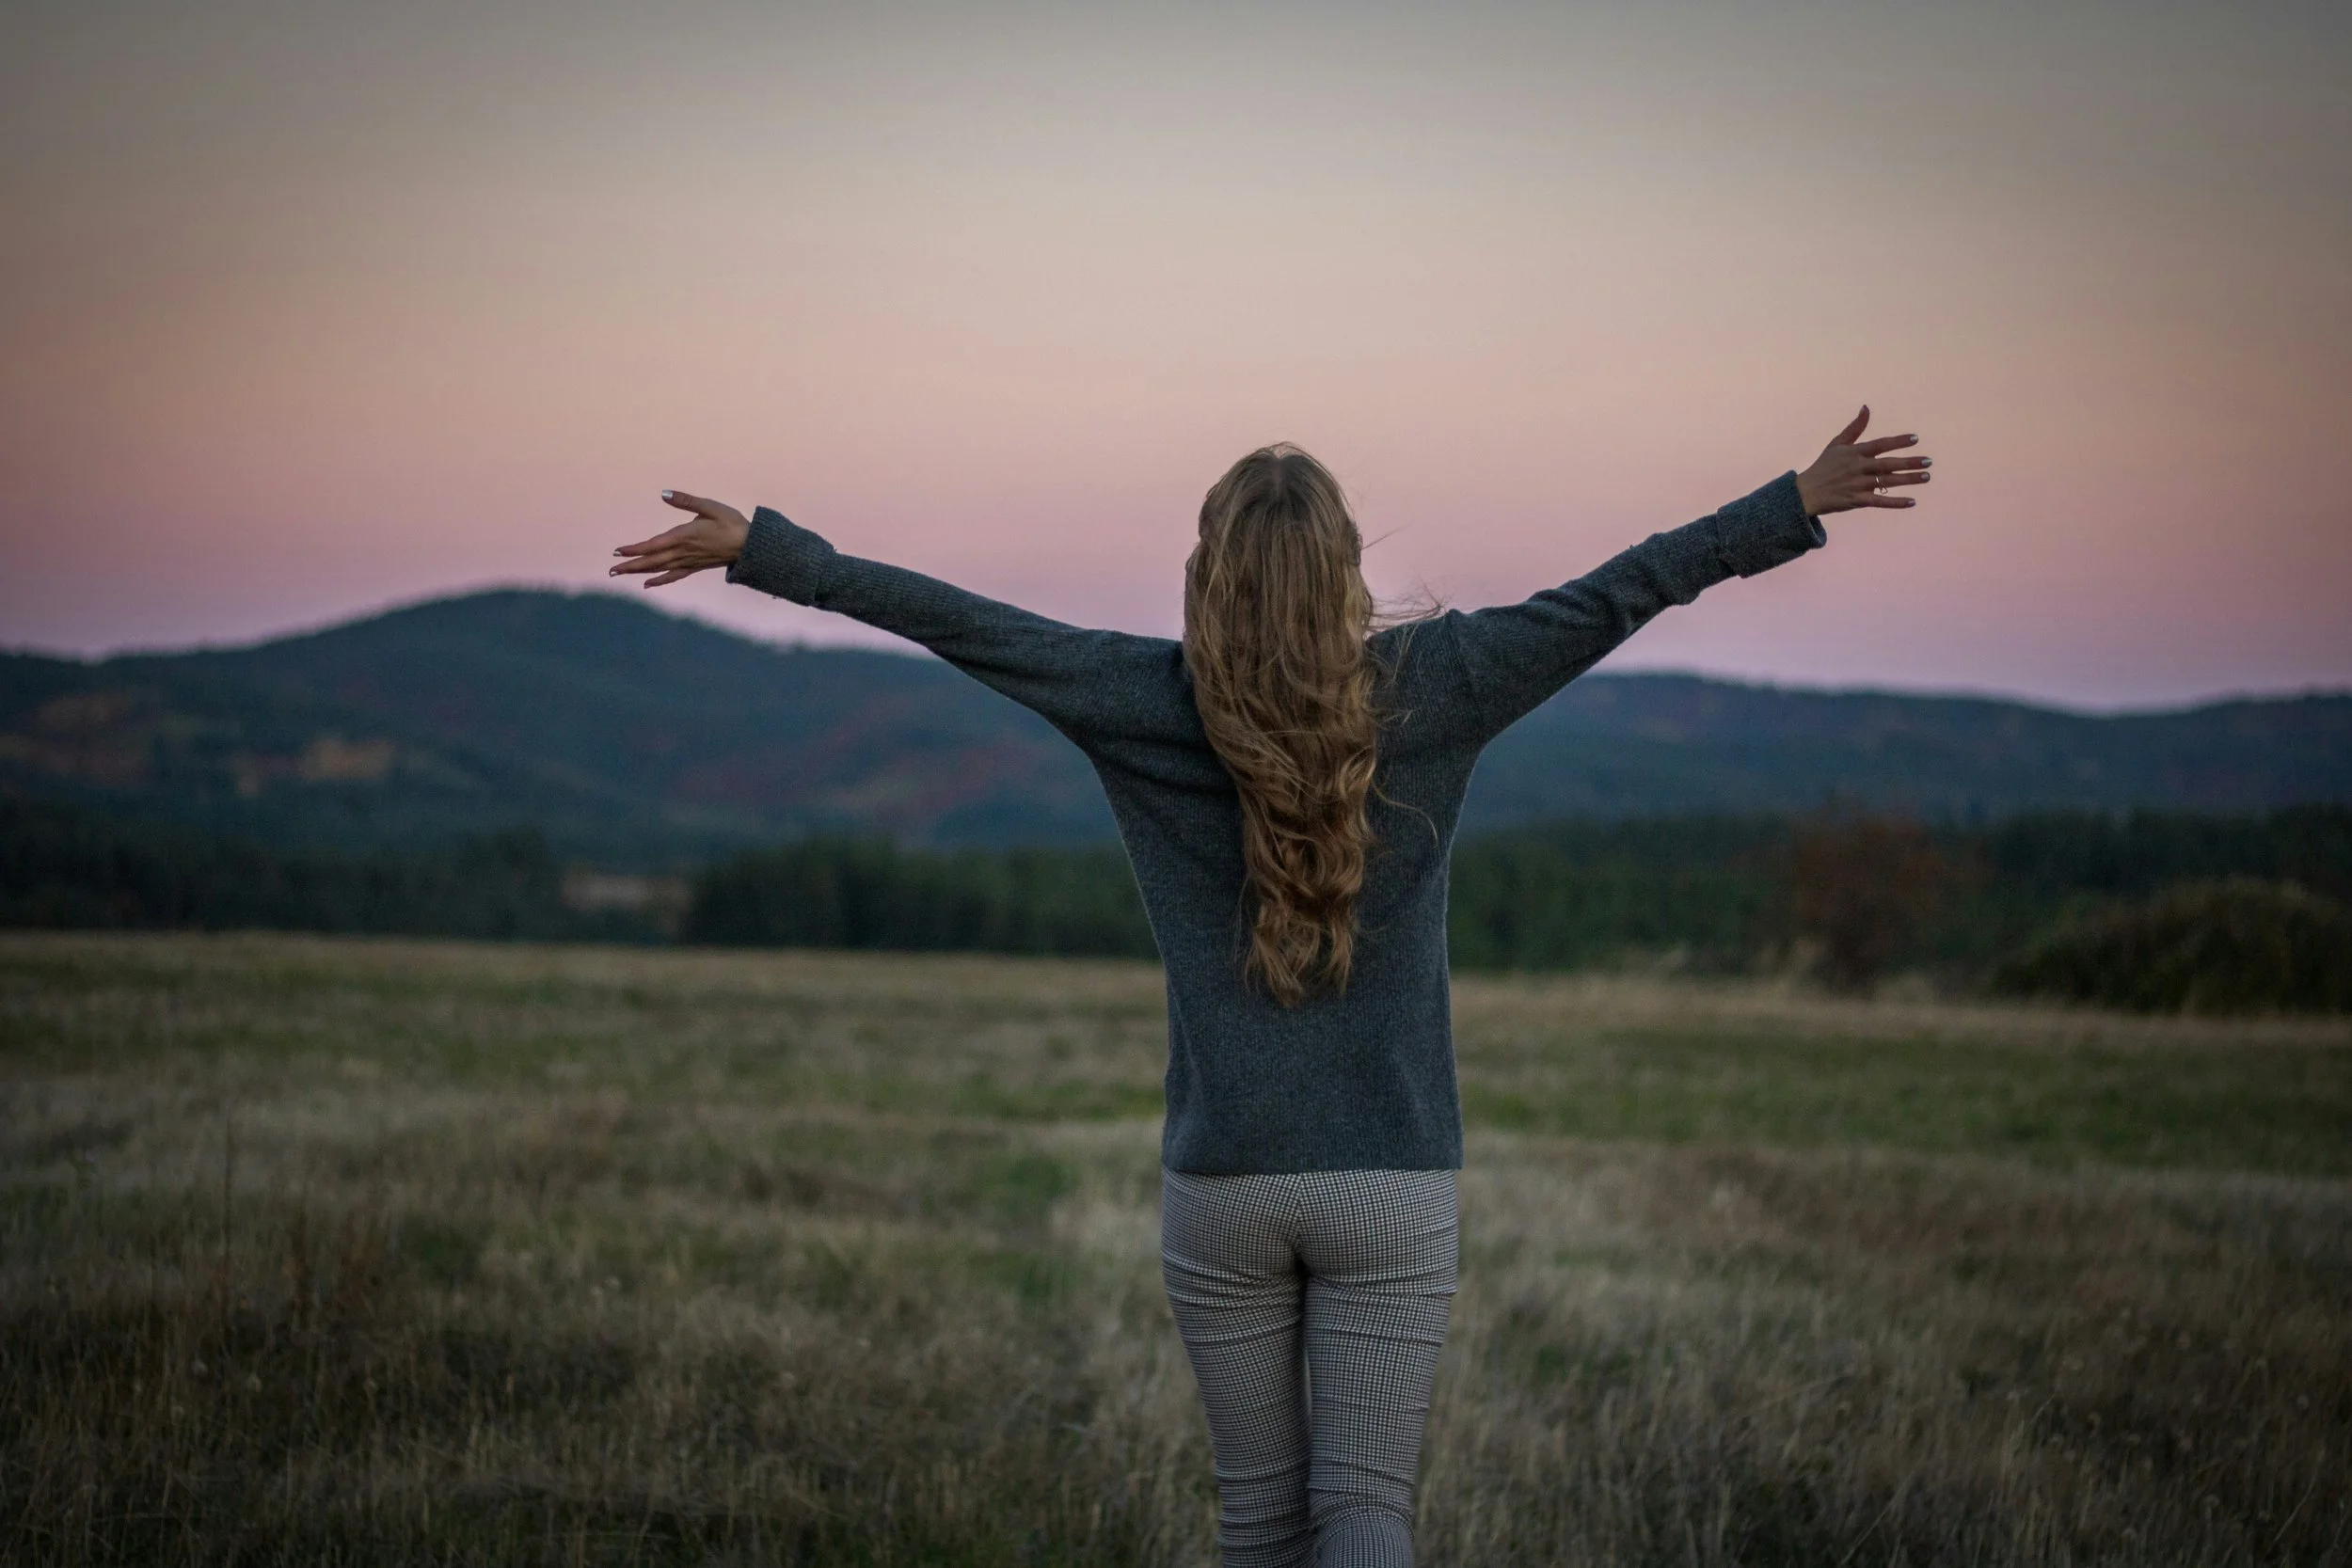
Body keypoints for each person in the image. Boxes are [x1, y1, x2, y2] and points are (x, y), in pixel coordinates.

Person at [609, 408, 1930, 1566]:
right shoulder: (1445, 679)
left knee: (1258, 1521)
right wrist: (1792, 503)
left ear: (1208, 574)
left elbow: (960, 622)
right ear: (1347, 573)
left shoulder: (1138, 694)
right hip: (1390, 1177)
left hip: (1224, 1178)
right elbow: (1620, 592)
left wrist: (768, 554)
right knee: (1364, 1512)